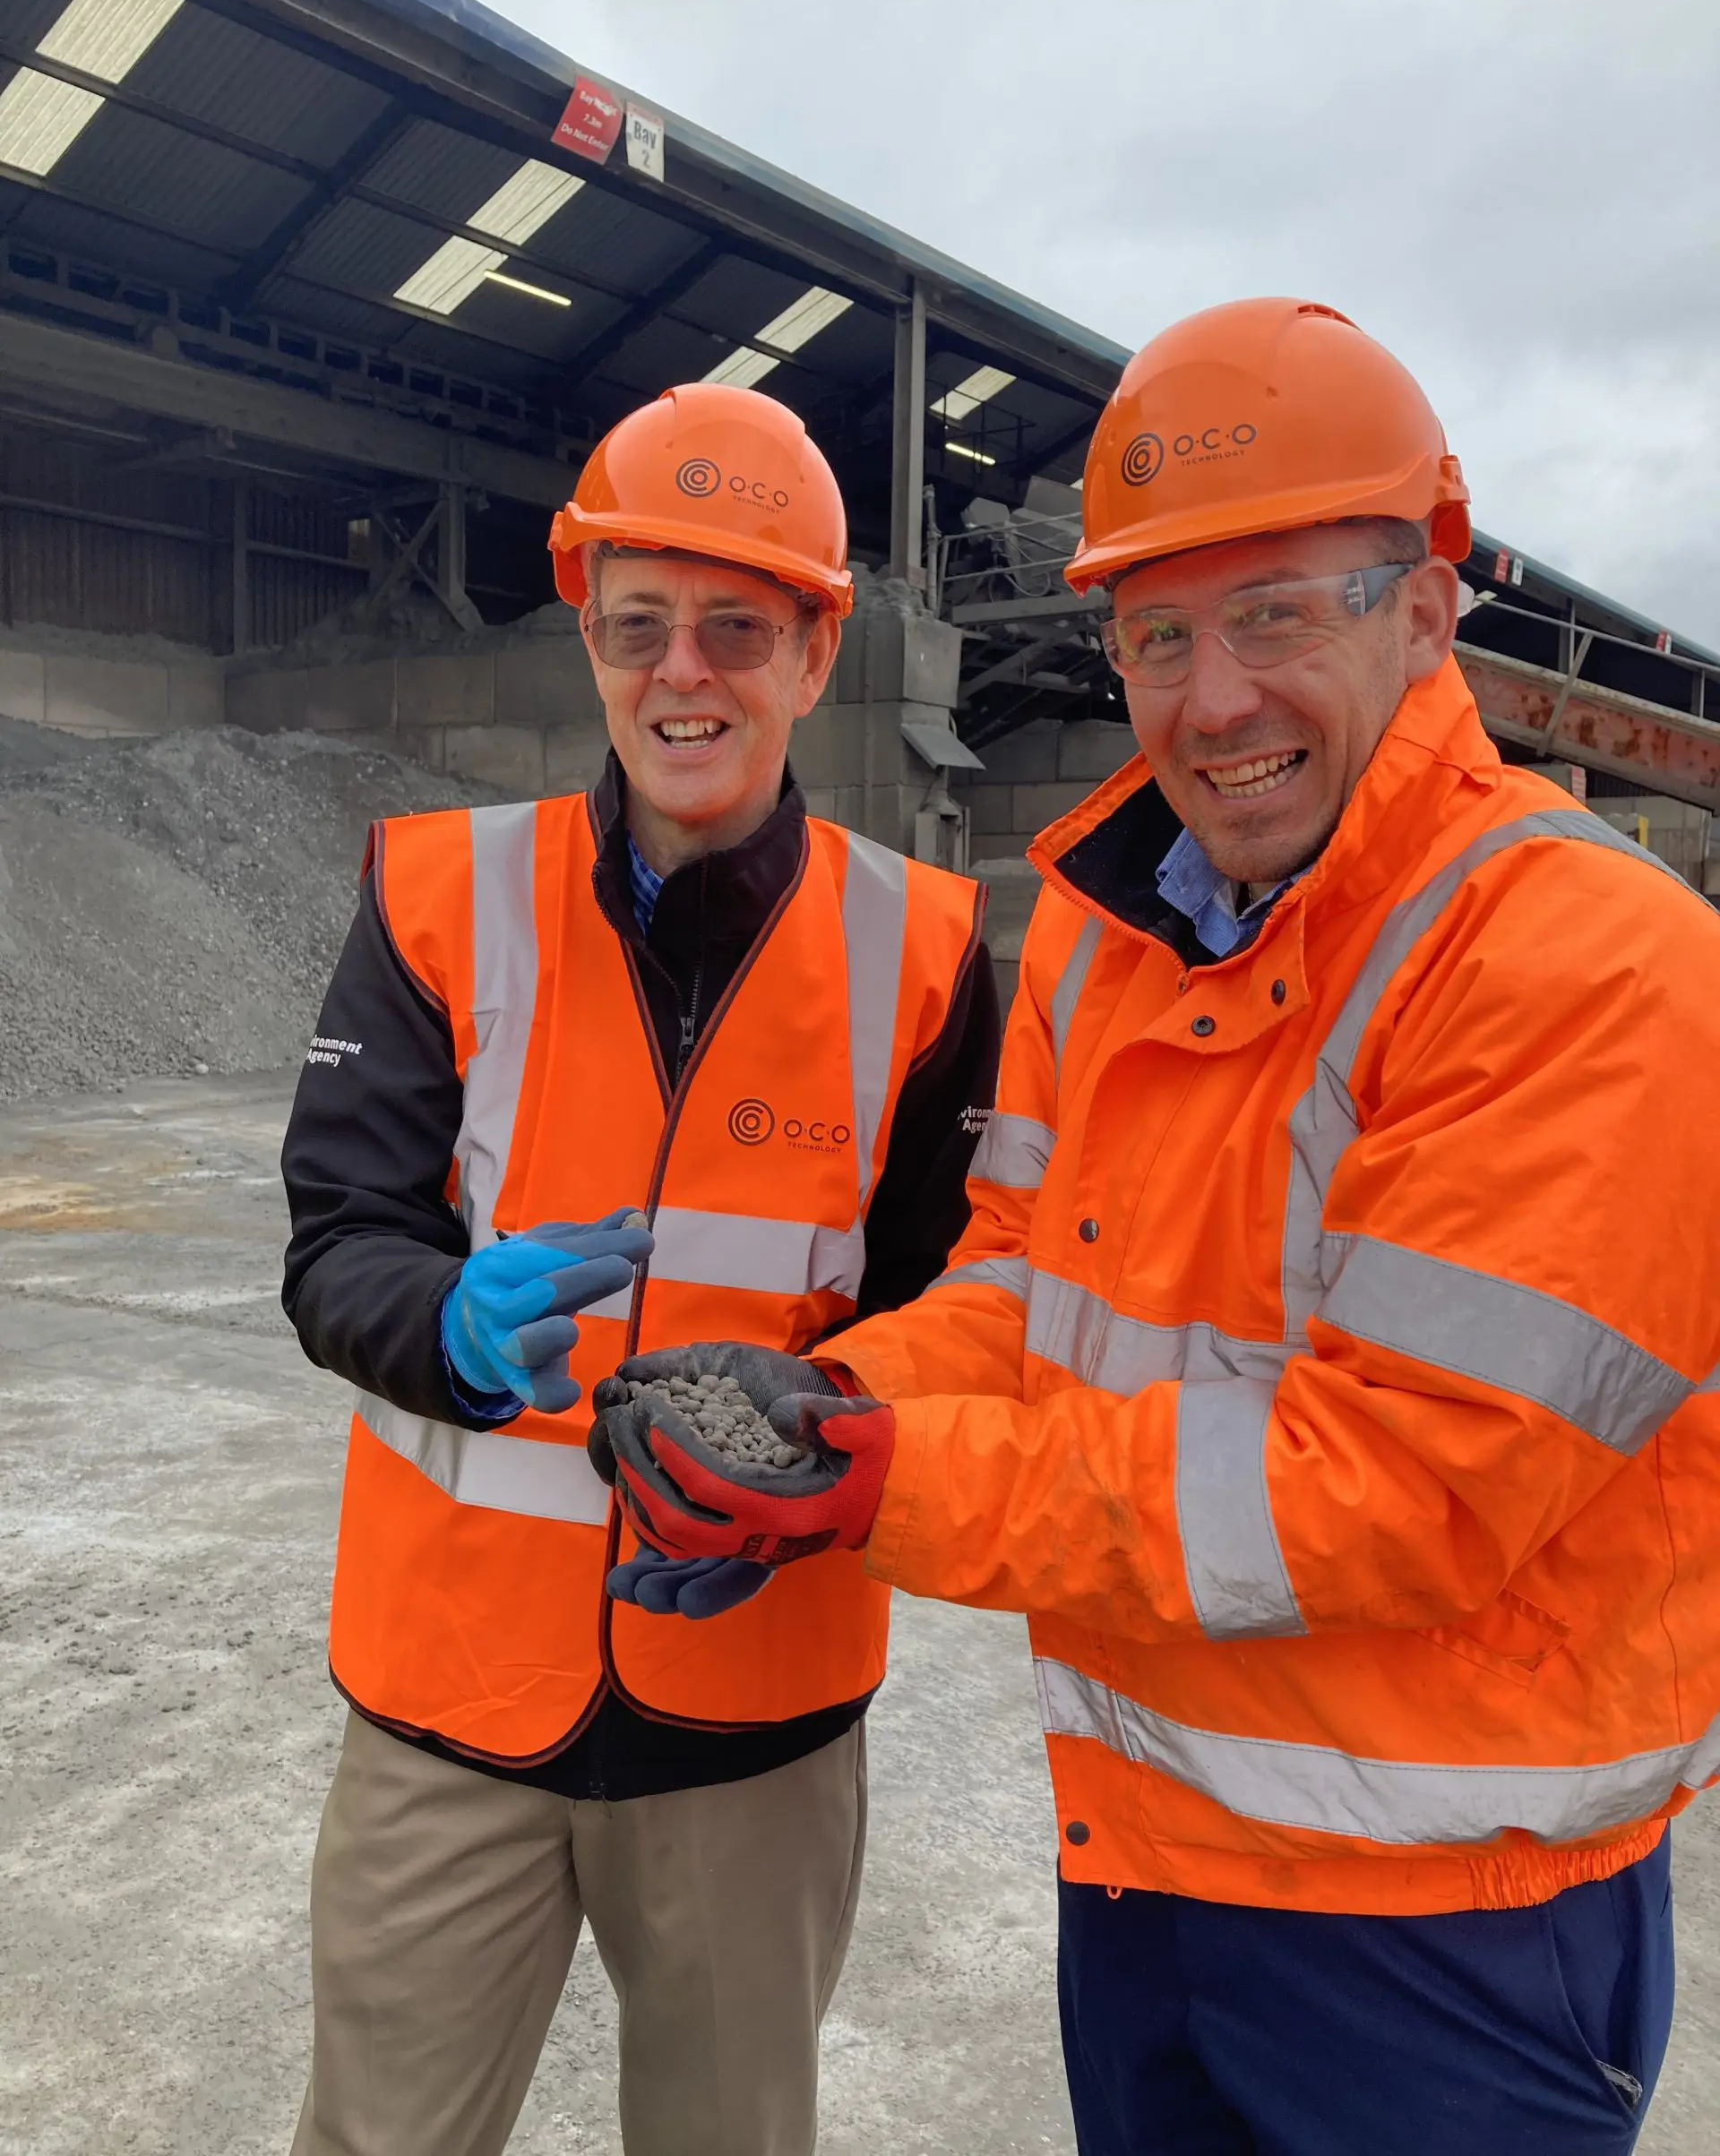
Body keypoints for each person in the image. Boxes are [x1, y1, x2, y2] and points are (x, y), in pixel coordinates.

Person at [602, 300, 1720, 2154]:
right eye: (1157, 633)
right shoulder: (1114, 944)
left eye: (1277, 612)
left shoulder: (1589, 964)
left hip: (1448, 1934)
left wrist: (878, 1481)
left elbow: (1398, 1481)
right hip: (1144, 1864)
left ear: (1427, 611)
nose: (1213, 699)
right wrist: (818, 1394)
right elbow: (1026, 1288)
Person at [280, 382, 999, 2156]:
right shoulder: (440, 894)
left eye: (739, 626)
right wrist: (444, 1329)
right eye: (640, 623)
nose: (687, 672)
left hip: (755, 1722)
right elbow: (337, 1238)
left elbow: (972, 1306)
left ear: (819, 649)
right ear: (590, 635)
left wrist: (828, 1418)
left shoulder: (926, 954)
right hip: (450, 1706)